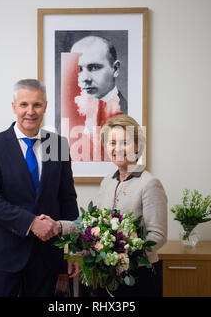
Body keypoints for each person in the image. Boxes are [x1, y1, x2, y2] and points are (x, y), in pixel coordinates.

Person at [0, 79, 80, 297]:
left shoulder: (57, 145)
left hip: (47, 257)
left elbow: (68, 199)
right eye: (24, 104)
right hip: (6, 256)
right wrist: (31, 222)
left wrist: (75, 251)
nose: (30, 112)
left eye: (37, 105)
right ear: (14, 106)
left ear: (46, 105)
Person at [63, 114, 168, 297]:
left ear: (137, 146)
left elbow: (158, 236)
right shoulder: (107, 183)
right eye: (112, 142)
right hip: (106, 277)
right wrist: (58, 226)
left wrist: (122, 256)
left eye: (124, 142)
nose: (117, 148)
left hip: (138, 277)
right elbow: (90, 224)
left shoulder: (150, 183)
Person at [70, 35, 127, 132]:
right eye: (79, 69)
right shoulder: (67, 118)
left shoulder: (129, 115)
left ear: (115, 69)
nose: (85, 78)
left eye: (94, 67)